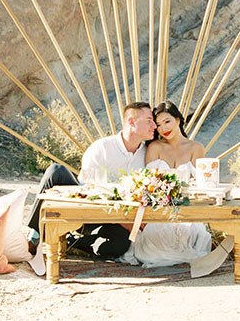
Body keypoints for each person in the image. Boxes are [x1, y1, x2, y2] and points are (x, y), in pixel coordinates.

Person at [27, 101, 156, 265]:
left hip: (116, 218)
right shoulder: (102, 148)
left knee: (121, 245)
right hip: (85, 209)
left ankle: (76, 243)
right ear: (131, 122)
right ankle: (34, 234)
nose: (154, 125)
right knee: (56, 171)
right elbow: (88, 189)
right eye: (149, 120)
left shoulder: (147, 154)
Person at [132, 100, 212, 267]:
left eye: (167, 122)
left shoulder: (196, 147)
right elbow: (149, 182)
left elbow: (202, 183)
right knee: (157, 235)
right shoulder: (155, 147)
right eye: (159, 125)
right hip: (159, 206)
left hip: (186, 205)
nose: (163, 129)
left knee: (193, 233)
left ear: (178, 120)